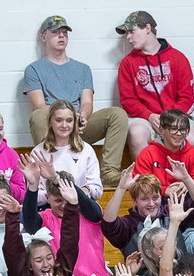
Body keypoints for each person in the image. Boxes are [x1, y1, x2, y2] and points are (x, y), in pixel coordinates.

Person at [23, 15, 127, 186]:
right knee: (38, 115)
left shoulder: (83, 68)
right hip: (54, 124)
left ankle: (109, 172)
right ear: (43, 37)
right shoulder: (34, 69)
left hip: (78, 123)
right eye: (55, 32)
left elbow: (87, 102)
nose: (61, 36)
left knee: (117, 114)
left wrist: (82, 116)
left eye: (64, 32)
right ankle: (49, 172)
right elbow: (39, 105)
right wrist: (64, 117)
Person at [115, 11, 194, 155]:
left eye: (131, 31)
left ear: (147, 28)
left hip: (177, 116)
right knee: (137, 134)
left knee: (193, 138)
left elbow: (188, 96)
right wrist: (149, 115)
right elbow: (128, 100)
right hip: (145, 119)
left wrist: (172, 118)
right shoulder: (127, 63)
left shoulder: (177, 58)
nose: (128, 37)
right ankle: (146, 178)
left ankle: (182, 177)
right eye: (126, 34)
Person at [30, 101, 103, 203]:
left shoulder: (86, 150)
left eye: (69, 120)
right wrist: (54, 195)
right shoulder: (38, 152)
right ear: (50, 122)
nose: (64, 125)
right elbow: (33, 195)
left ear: (74, 122)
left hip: (79, 206)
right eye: (59, 120)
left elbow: (97, 189)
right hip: (50, 209)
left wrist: (86, 190)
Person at [132, 109, 194, 192]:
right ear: (162, 130)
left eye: (183, 129)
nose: (179, 133)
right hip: (157, 199)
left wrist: (188, 184)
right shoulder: (147, 153)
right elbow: (140, 184)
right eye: (174, 129)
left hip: (186, 196)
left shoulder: (193, 153)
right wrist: (165, 190)